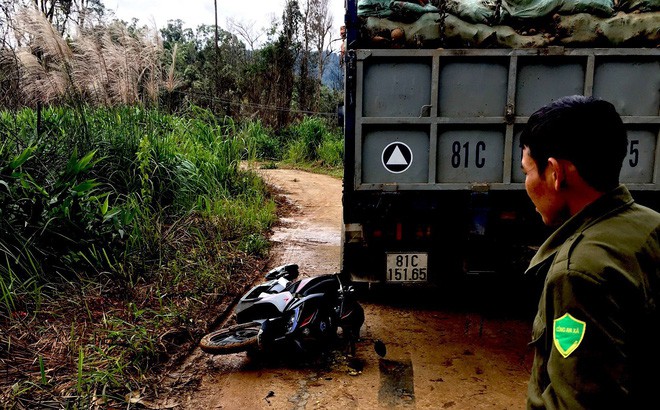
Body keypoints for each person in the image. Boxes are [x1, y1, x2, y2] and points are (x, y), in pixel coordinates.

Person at [519, 95, 660, 409]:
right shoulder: (651, 226)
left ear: (556, 174)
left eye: (528, 171)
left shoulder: (578, 272)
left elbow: (580, 400)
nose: (527, 183)